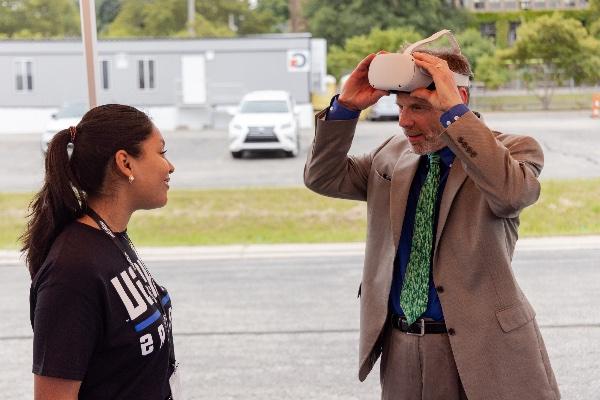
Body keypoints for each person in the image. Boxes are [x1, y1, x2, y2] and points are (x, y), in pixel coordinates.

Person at [304, 48, 561, 400]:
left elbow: (511, 194)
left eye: (419, 107)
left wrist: (456, 117)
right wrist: (346, 108)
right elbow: (322, 177)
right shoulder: (391, 155)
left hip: (485, 349)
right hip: (402, 347)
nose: (404, 122)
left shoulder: (512, 151)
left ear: (458, 98)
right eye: (401, 108)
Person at [22, 104, 179, 399]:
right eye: (161, 152)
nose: (169, 166)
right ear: (125, 163)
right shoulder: (71, 272)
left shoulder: (112, 238)